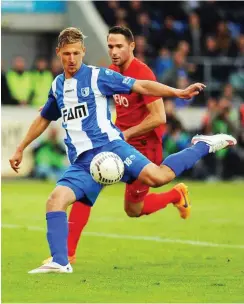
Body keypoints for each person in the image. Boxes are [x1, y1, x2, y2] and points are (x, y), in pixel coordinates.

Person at [9, 27, 236, 274]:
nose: (72, 59)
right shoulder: (58, 85)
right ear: (58, 54)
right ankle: (61, 260)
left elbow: (143, 87)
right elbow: (44, 117)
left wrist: (177, 92)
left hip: (112, 147)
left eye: (76, 53)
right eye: (66, 54)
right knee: (56, 200)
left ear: (83, 52)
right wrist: (20, 148)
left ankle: (202, 145)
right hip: (82, 162)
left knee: (159, 178)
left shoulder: (98, 76)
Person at [42, 26, 192, 265]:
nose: (113, 51)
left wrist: (125, 133)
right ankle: (67, 254)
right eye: (110, 46)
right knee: (85, 192)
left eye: (119, 46)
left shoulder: (143, 73)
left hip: (143, 147)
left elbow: (159, 118)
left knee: (133, 209)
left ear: (132, 46)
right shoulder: (110, 72)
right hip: (113, 145)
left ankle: (175, 194)